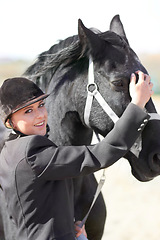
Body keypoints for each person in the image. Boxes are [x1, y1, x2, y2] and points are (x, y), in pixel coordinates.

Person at [0, 71, 153, 240]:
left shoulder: (8, 151)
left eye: (41, 105)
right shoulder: (32, 152)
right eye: (28, 111)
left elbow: (25, 210)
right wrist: (137, 104)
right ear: (10, 122)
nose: (40, 115)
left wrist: (63, 228)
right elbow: (103, 153)